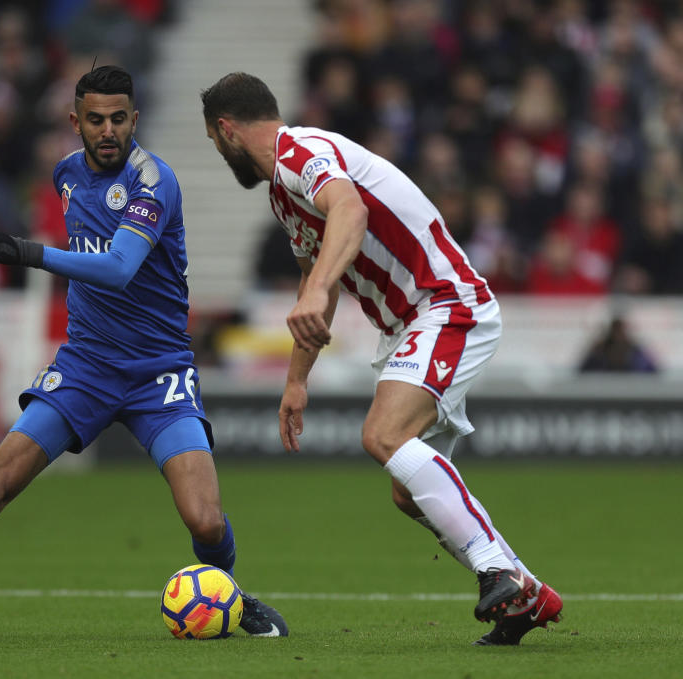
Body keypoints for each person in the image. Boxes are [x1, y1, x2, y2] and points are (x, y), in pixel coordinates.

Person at [0, 65, 287, 639]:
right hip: (86, 367)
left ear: (135, 119)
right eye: (96, 119)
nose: (108, 130)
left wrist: (28, 252)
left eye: (119, 118)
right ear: (76, 122)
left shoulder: (155, 181)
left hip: (158, 371)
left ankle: (232, 597)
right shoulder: (65, 176)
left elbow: (118, 269)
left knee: (204, 518)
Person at [200, 72, 561, 646]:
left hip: (445, 302)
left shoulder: (302, 152)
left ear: (226, 131)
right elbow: (320, 274)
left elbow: (349, 211)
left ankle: (495, 569)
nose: (218, 154)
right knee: (406, 488)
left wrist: (319, 288)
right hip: (407, 325)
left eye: (214, 144)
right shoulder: (281, 190)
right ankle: (526, 592)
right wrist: (297, 381)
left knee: (383, 435)